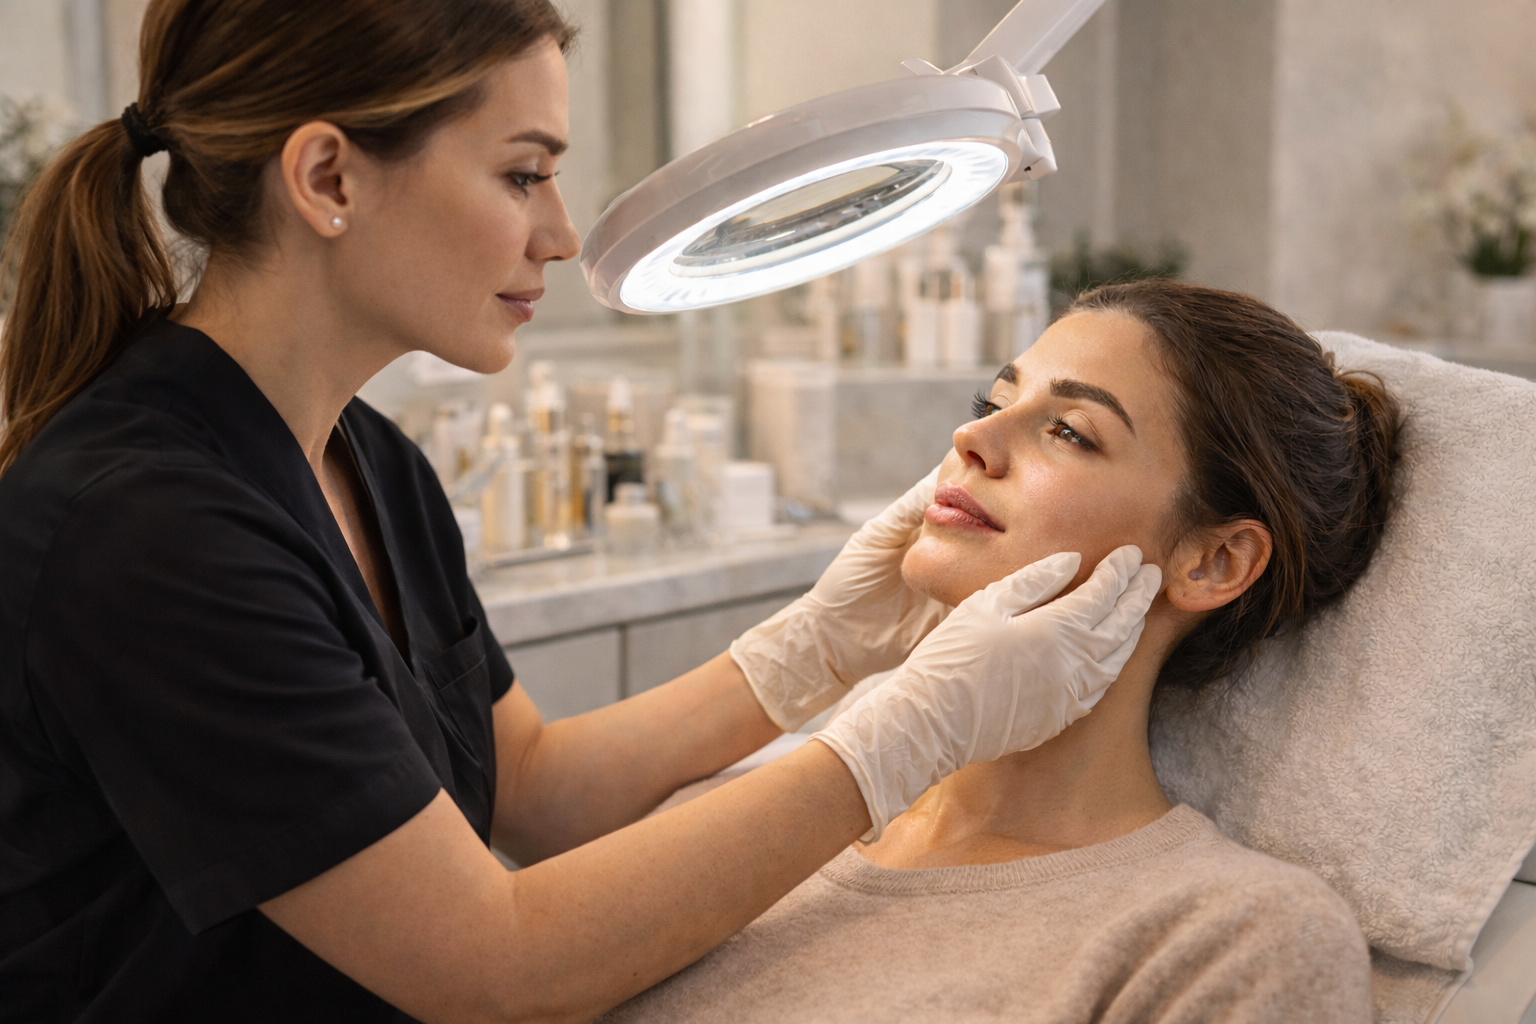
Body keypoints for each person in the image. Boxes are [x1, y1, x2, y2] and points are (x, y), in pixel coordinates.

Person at [0, 2, 1161, 1021]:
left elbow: (536, 787)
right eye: (521, 172)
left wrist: (815, 650)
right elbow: (497, 970)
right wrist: (904, 733)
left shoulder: (367, 462)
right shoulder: (148, 531)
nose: (558, 232)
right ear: (328, 179)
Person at [600, 279, 1402, 1024]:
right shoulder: (740, 821)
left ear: (1212, 562)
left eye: (1067, 432)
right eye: (994, 398)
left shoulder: (1232, 937)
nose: (972, 436)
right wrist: (815, 652)